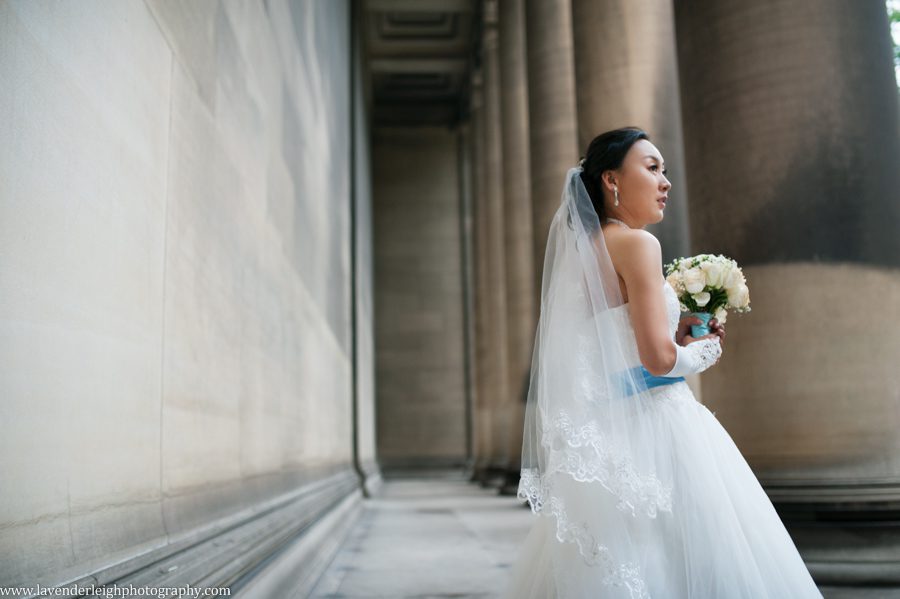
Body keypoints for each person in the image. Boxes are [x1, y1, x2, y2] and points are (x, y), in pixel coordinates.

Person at [501, 127, 822, 598]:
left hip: (615, 429)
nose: (665, 181)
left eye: (664, 170)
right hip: (659, 429)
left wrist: (675, 332)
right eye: (652, 168)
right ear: (611, 180)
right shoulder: (639, 245)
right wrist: (703, 350)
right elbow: (659, 358)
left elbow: (618, 352)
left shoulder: (586, 250)